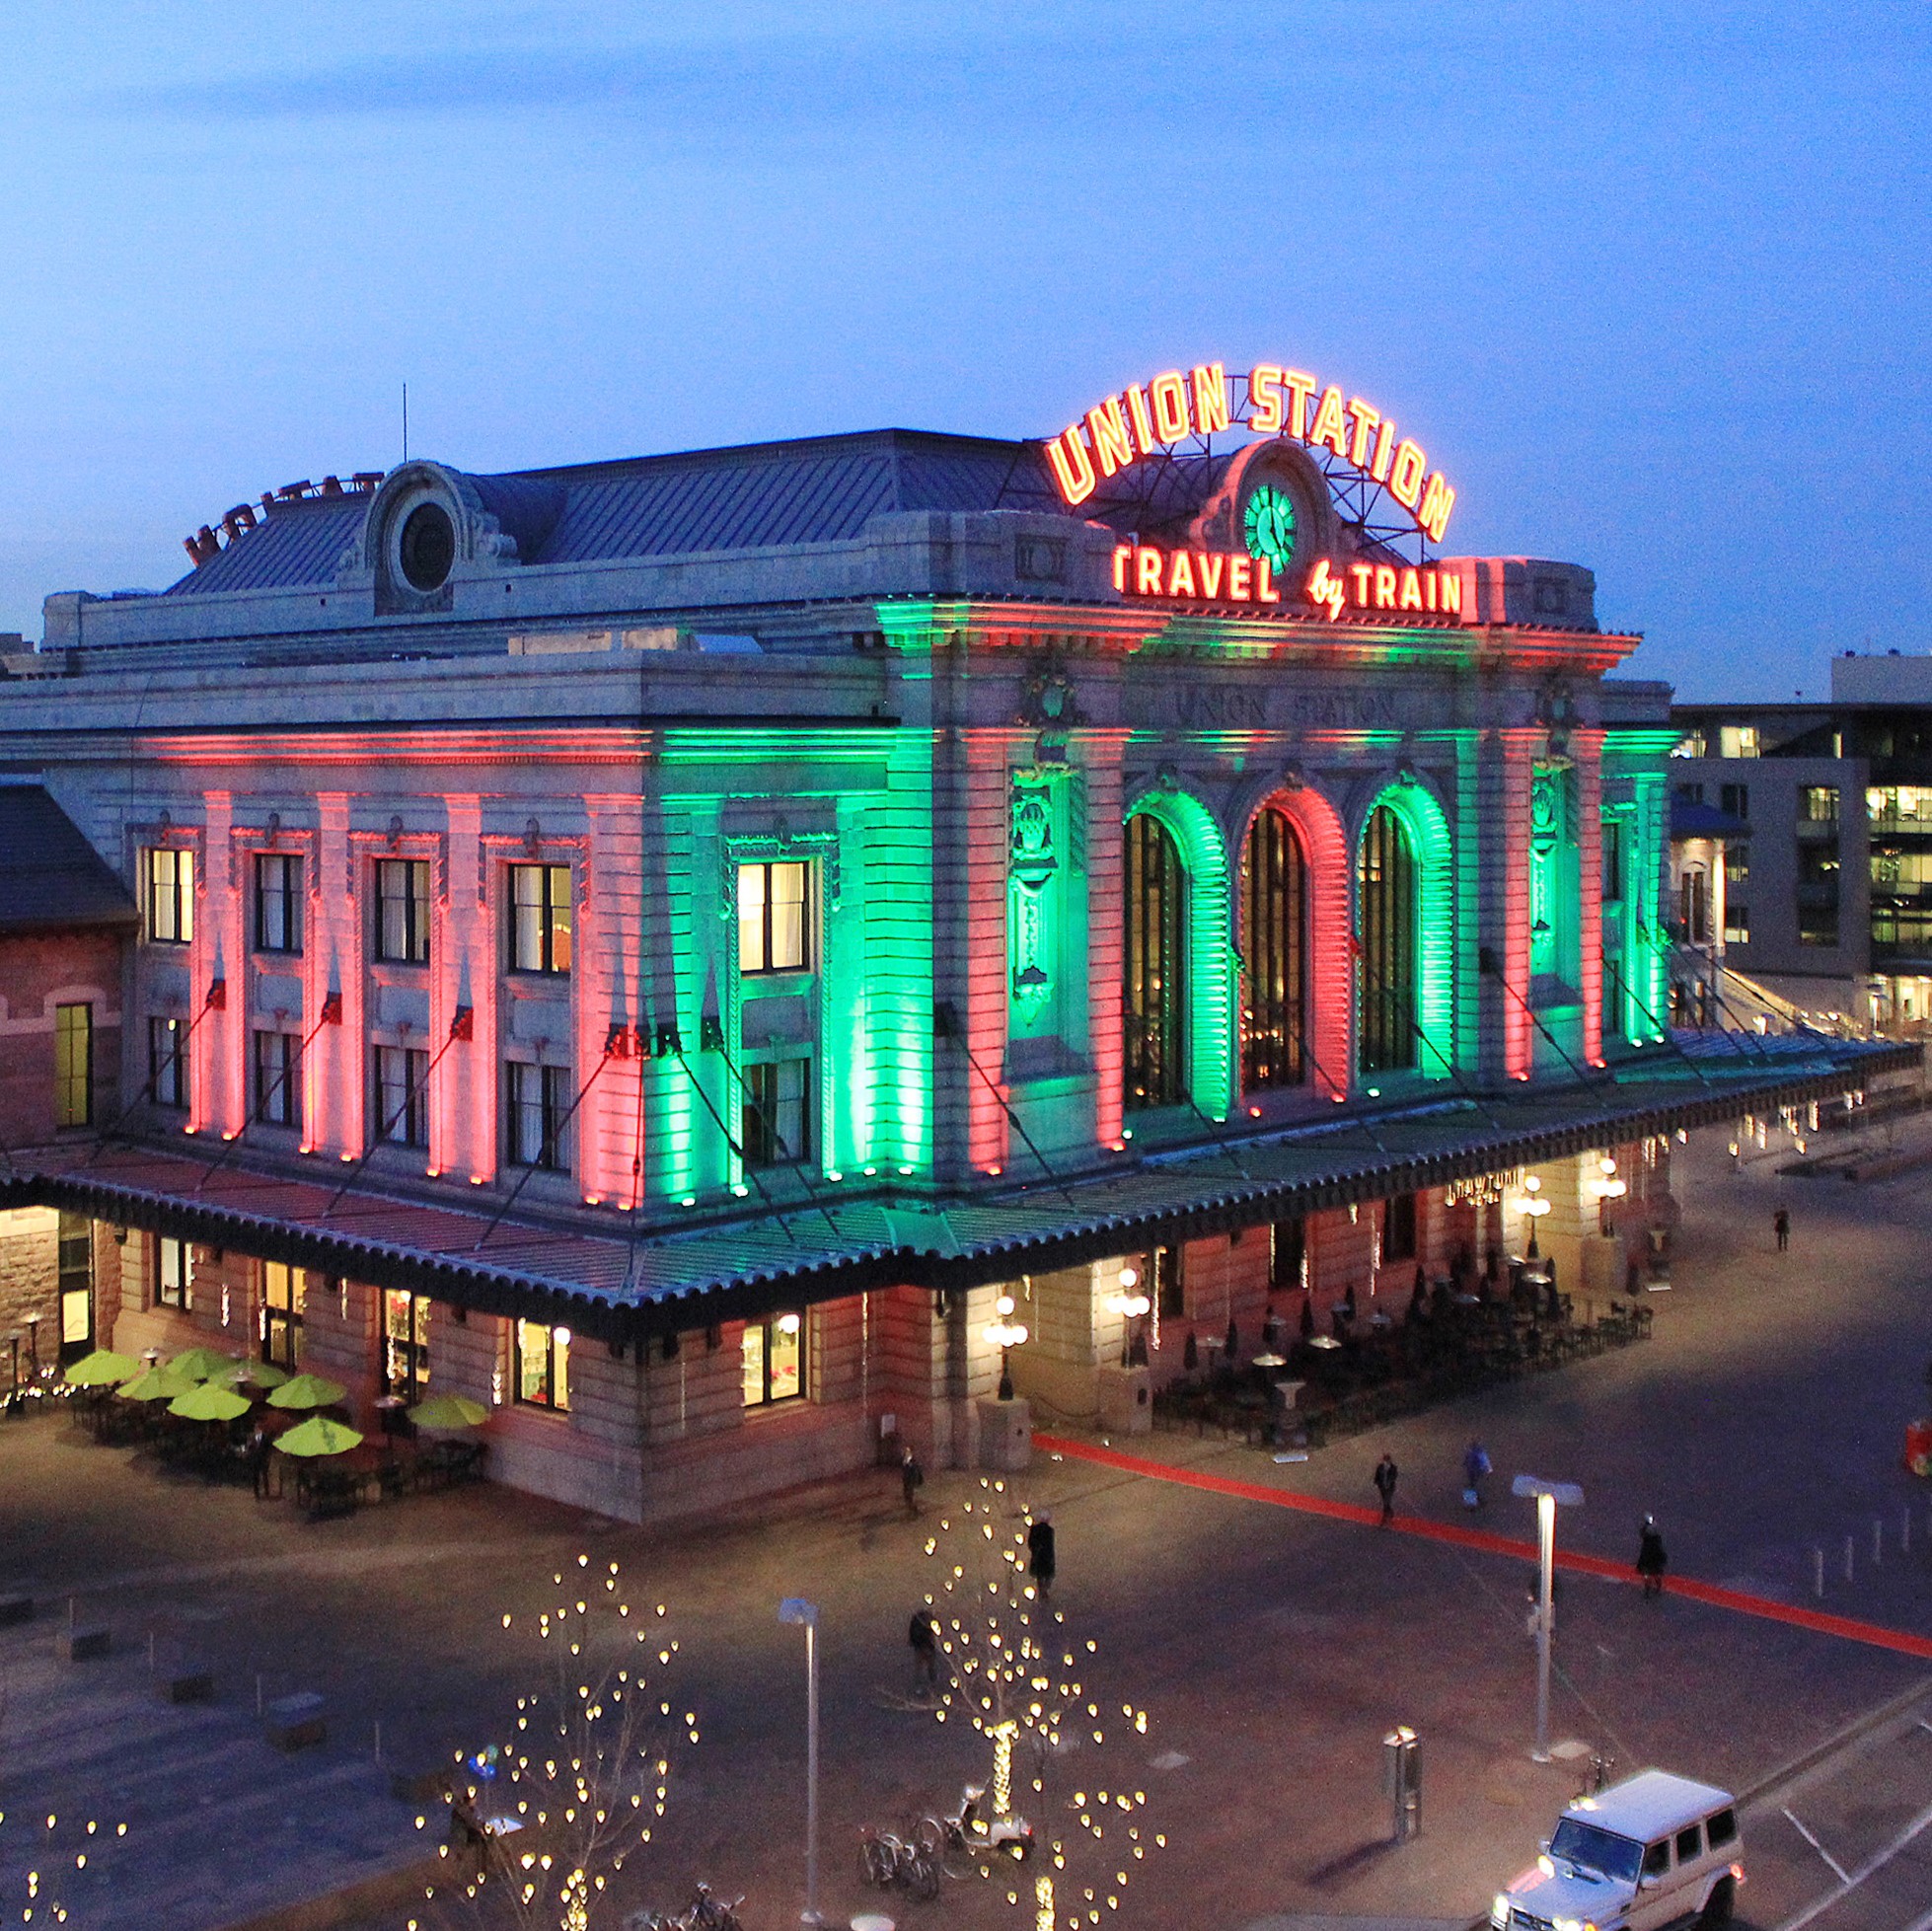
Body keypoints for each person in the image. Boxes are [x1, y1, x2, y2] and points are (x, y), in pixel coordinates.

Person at [908, 1606, 941, 1696]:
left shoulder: (916, 1622)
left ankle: (922, 1685)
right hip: (926, 1647)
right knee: (929, 1666)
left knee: (921, 1667)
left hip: (921, 1647)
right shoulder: (929, 1623)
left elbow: (912, 1633)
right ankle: (932, 1684)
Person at [1636, 1516, 1667, 1597]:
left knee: (1647, 1574)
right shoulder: (1656, 1540)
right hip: (1654, 1556)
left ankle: (1648, 1590)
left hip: (1647, 1556)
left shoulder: (1647, 1540)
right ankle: (1657, 1587)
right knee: (1655, 1573)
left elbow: (1642, 1534)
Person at [1027, 1513, 1056, 1600]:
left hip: (1038, 1555)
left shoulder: (1034, 1529)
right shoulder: (1049, 1530)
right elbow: (1050, 1545)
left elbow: (1030, 1543)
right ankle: (1044, 1592)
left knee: (1040, 1575)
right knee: (1047, 1575)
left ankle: (1042, 1592)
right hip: (1046, 1556)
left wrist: (1035, 1550)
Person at [248, 1420, 273, 1499]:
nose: (256, 1430)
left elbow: (269, 1449)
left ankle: (266, 1491)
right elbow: (249, 1448)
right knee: (255, 1477)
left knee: (264, 1476)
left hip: (263, 1459)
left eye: (258, 1428)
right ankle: (256, 1493)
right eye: (255, 1428)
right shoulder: (251, 1437)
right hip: (255, 1460)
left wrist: (268, 1458)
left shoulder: (265, 1438)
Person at [1462, 1439, 1491, 1509]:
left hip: (1472, 1471)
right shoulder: (1479, 1452)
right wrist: (1488, 1469)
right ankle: (1476, 1500)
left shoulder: (1471, 1452)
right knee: (1475, 1485)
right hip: (1476, 1472)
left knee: (1473, 1485)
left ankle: (1474, 1500)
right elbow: (1484, 1461)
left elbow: (1466, 1461)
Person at [1374, 1452, 1398, 1524]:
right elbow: (1377, 1475)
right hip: (1382, 1487)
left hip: (1390, 1488)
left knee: (1386, 1502)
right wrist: (1377, 1482)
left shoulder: (1393, 1468)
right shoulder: (1380, 1467)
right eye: (1385, 1460)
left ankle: (1384, 1519)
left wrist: (1389, 1482)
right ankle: (1390, 1513)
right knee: (1386, 1502)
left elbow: (1394, 1476)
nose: (1386, 1462)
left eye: (1387, 1460)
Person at [901, 1444, 925, 1519]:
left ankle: (914, 1511)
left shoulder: (912, 1462)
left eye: (908, 1451)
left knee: (910, 1497)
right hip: (907, 1482)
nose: (906, 1453)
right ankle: (912, 1511)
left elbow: (915, 1473)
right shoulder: (905, 1461)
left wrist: (915, 1483)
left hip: (911, 1482)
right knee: (907, 1497)